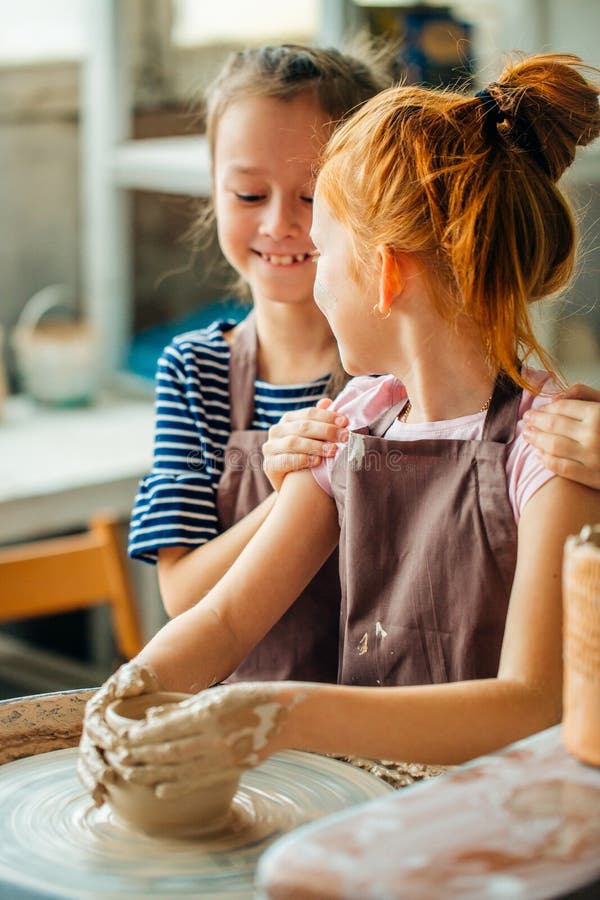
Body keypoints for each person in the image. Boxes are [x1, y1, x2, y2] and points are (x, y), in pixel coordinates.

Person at [80, 50, 600, 800]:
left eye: (323, 251)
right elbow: (224, 618)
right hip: (360, 806)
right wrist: (133, 688)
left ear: (385, 275)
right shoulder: (354, 422)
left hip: (497, 821)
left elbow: (530, 705)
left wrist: (282, 712)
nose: (309, 275)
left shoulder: (550, 447)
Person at [127, 44, 389, 683]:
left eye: (312, 195)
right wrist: (297, 490)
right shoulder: (196, 373)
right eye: (248, 193)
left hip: (391, 726)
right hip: (246, 733)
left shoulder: (404, 371)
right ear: (213, 190)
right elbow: (184, 594)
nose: (279, 223)